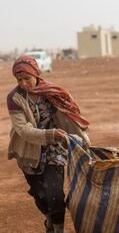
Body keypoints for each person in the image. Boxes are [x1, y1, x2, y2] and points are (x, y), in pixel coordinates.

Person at [7, 55, 90, 233]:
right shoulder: (14, 98)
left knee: (56, 195)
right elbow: (23, 130)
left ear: (36, 74)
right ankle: (49, 220)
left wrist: (82, 139)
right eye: (19, 80)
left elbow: (69, 116)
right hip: (29, 151)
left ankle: (57, 229)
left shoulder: (52, 92)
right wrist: (50, 134)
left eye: (27, 78)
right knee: (41, 196)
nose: (23, 83)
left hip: (55, 148)